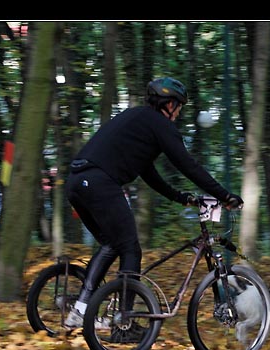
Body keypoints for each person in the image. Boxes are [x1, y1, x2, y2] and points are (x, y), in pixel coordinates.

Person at [64, 77, 243, 335]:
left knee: (113, 244)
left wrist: (182, 198)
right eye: (179, 106)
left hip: (77, 182)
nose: (179, 113)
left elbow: (148, 173)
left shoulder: (138, 120)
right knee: (130, 248)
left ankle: (80, 311)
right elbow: (187, 164)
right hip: (100, 183)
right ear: (169, 104)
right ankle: (122, 322)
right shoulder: (159, 124)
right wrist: (224, 195)